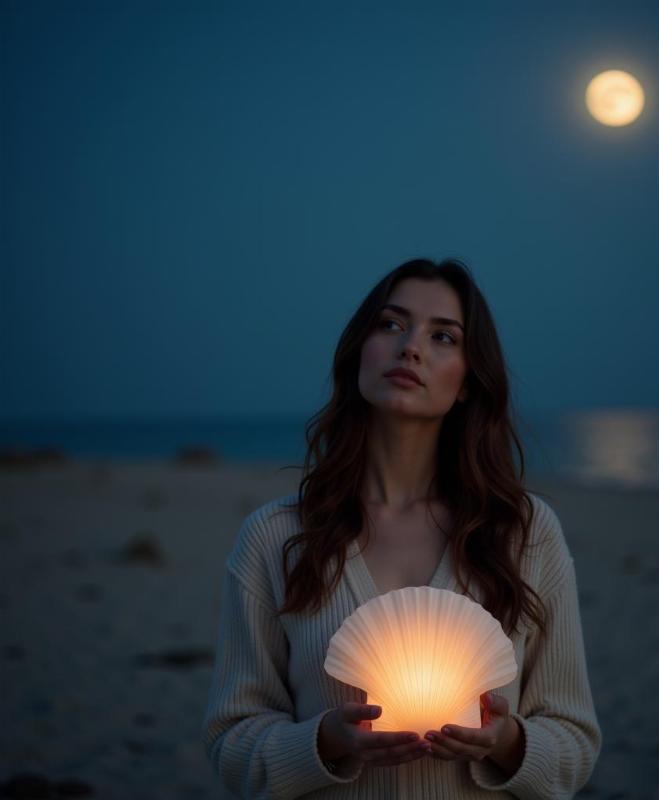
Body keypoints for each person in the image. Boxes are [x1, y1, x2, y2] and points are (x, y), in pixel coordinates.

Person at [201, 258, 602, 799]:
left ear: (467, 380)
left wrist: (506, 740)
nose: (410, 346)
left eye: (443, 336)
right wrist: (324, 741)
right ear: (358, 352)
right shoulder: (276, 538)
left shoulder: (523, 534)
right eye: (391, 324)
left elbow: (574, 746)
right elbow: (232, 744)